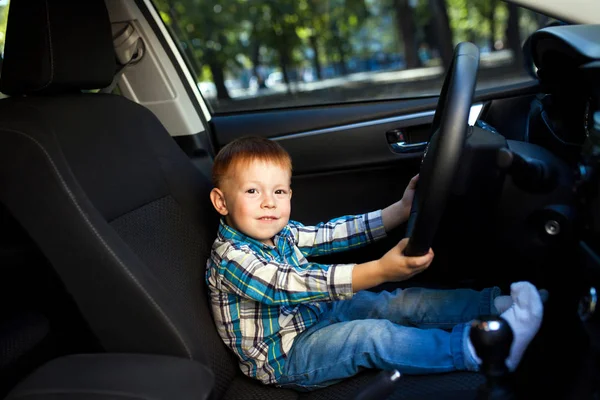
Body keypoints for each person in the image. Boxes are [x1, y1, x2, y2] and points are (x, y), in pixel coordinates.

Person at [206, 136, 544, 390]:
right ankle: (475, 351)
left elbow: (331, 233)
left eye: (279, 192)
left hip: (317, 314)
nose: (269, 202)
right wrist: (379, 270)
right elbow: (292, 284)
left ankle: (495, 304)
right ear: (221, 202)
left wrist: (397, 211)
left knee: (396, 302)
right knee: (369, 337)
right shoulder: (231, 259)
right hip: (288, 356)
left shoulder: (280, 232)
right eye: (252, 192)